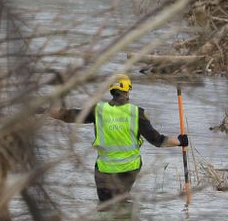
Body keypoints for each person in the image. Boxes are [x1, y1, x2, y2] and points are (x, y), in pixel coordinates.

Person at [47, 74, 188, 203]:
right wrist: (179, 141)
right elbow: (157, 140)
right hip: (129, 169)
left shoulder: (98, 111)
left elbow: (68, 115)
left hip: (104, 169)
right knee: (119, 204)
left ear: (111, 91)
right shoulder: (137, 113)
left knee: (105, 206)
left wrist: (42, 110)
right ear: (127, 91)